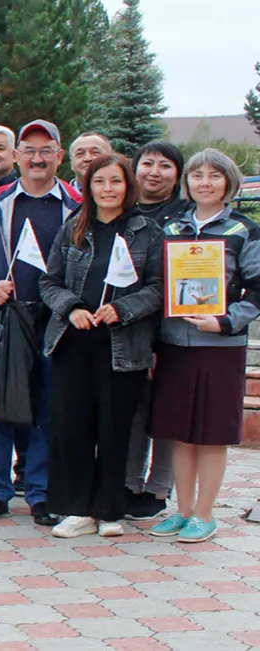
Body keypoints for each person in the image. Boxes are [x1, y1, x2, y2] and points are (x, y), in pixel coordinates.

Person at [0, 119, 78, 527]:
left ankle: (40, 493)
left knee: (47, 410)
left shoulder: (76, 206)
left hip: (57, 322)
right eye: (30, 151)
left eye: (46, 151)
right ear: (18, 156)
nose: (37, 159)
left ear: (59, 156)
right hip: (8, 318)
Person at [38, 154, 163, 539]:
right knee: (73, 428)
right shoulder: (73, 226)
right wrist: (71, 308)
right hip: (73, 344)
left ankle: (109, 510)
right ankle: (77, 509)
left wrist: (123, 309)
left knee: (114, 429)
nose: (108, 189)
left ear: (128, 186)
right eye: (99, 181)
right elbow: (49, 282)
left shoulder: (147, 231)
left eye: (115, 181)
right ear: (89, 187)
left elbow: (158, 288)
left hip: (122, 347)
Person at [148, 149, 260, 544]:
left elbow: (257, 291)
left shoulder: (244, 230)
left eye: (215, 175)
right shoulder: (171, 228)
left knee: (211, 433)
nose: (205, 183)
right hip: (174, 344)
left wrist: (224, 321)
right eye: (197, 175)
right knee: (180, 433)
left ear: (229, 183)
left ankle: (205, 515)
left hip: (220, 347)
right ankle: (182, 511)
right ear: (187, 182)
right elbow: (156, 285)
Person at [122, 140, 189, 520]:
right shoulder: (123, 211)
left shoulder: (186, 217)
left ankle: (159, 487)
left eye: (165, 166)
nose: (154, 172)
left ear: (177, 175)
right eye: (147, 163)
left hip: (175, 326)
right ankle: (128, 481)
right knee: (133, 405)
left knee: (166, 409)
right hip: (129, 323)